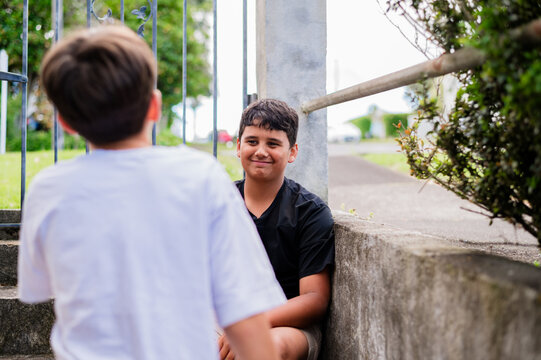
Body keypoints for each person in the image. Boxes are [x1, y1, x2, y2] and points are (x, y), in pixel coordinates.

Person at [18, 25, 285, 360]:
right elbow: (244, 314)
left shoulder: (47, 189)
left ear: (65, 122)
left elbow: (40, 286)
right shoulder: (199, 177)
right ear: (155, 107)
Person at [218, 99, 335, 360]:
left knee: (261, 347)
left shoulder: (310, 212)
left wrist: (251, 324)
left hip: (288, 326)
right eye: (252, 141)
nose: (261, 151)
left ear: (292, 152)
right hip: (225, 320)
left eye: (272, 144)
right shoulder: (217, 205)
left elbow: (314, 299)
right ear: (238, 147)